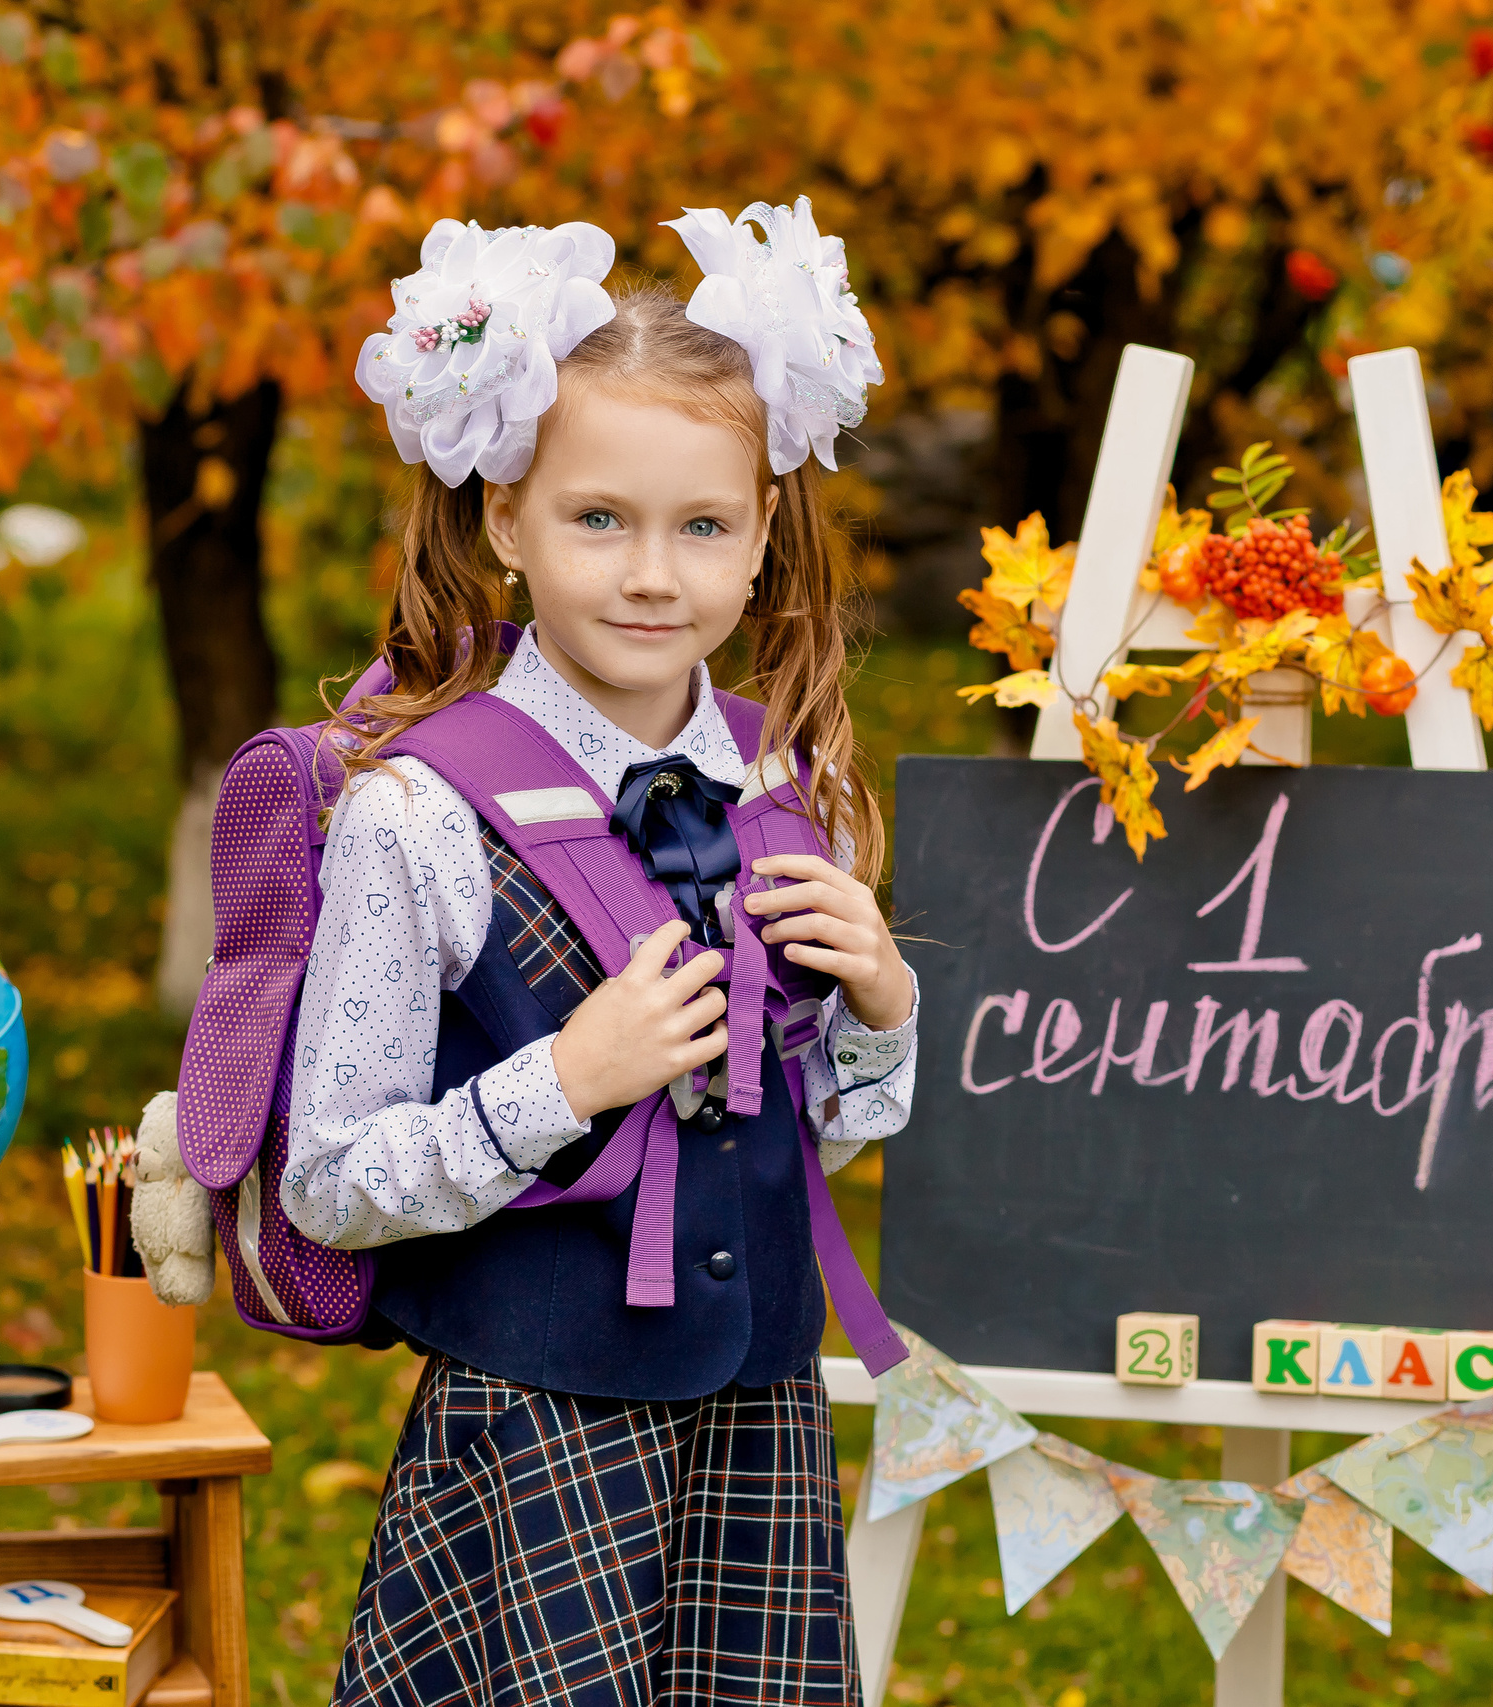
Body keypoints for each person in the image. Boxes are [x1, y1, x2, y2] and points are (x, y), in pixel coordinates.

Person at [289, 203, 920, 1707]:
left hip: (756, 1421)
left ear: (765, 535)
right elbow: (328, 1175)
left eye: (703, 526)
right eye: (599, 520)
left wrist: (882, 1006)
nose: (653, 574)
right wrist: (562, 1081)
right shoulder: (419, 813)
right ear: (504, 517)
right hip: (534, 1430)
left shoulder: (789, 789)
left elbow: (800, 1131)